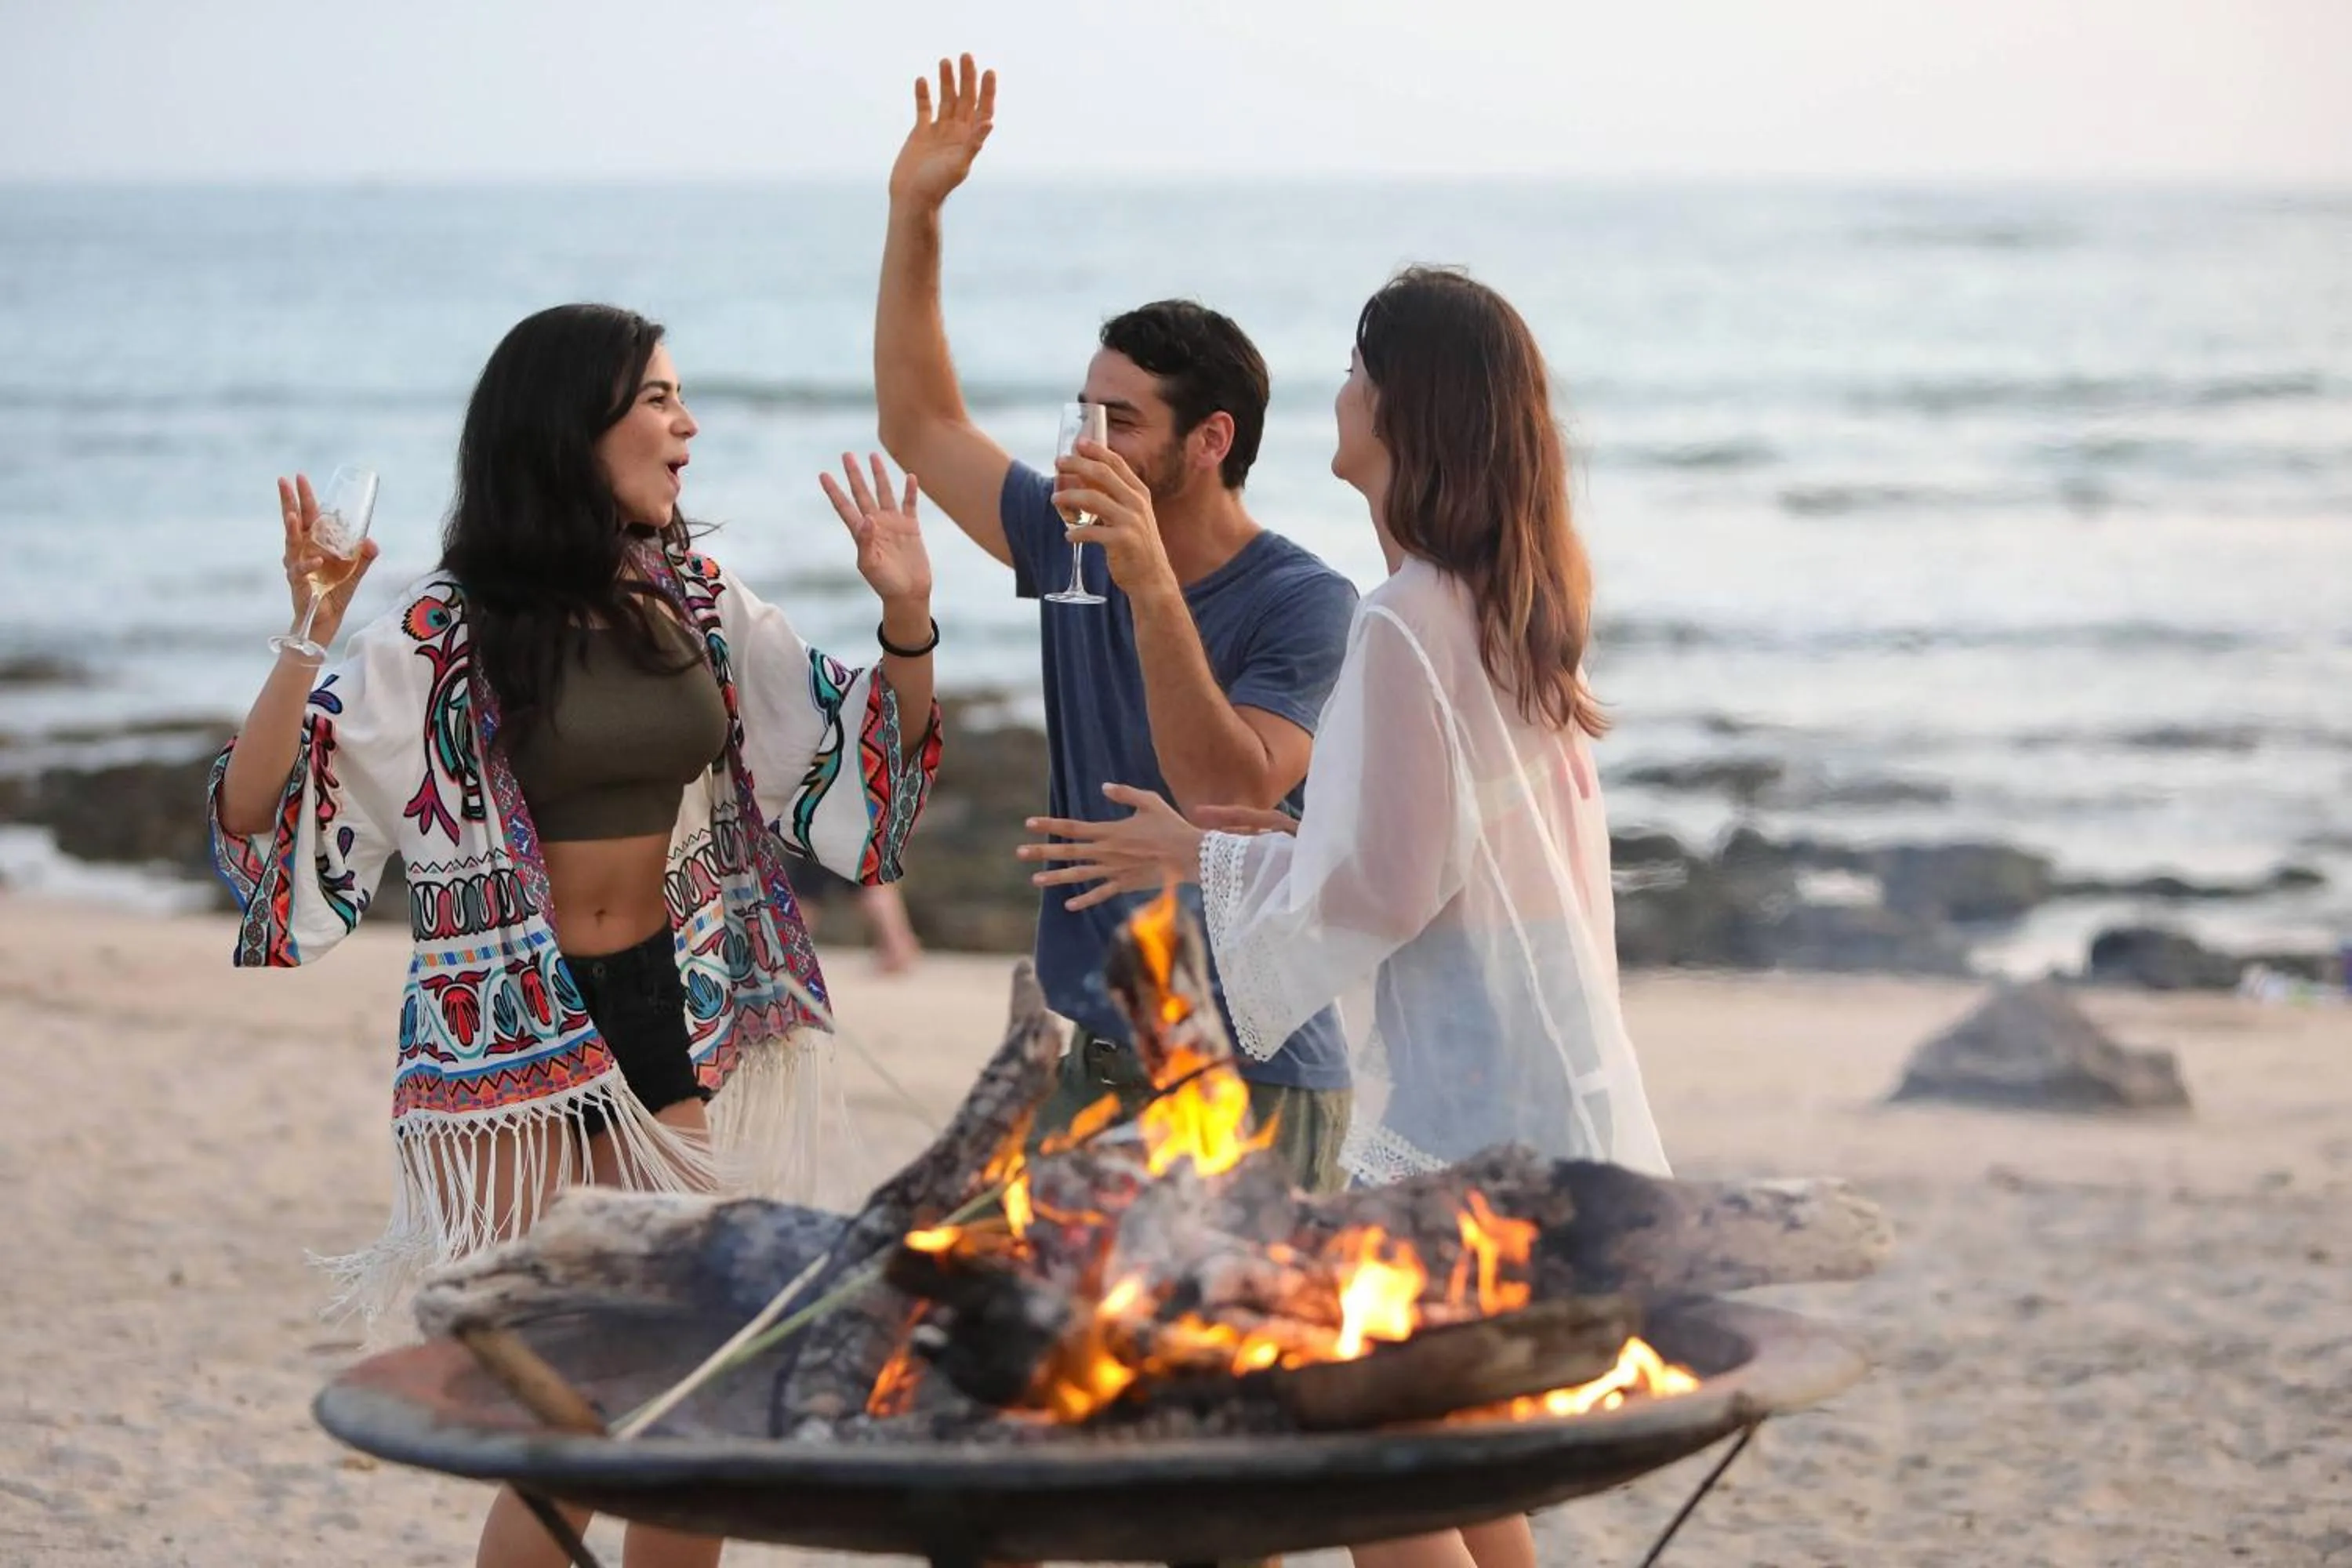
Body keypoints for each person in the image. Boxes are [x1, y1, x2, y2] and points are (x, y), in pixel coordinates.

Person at [209, 303, 943, 1568]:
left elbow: (845, 756)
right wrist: (308, 634)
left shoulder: (702, 605)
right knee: (582, 1410)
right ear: (573, 428)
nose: (688, 425)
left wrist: (909, 619)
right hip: (510, 1034)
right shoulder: (443, 639)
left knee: (696, 1394)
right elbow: (261, 813)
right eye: (658, 399)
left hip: (663, 1006)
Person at [1019, 267, 1670, 1568]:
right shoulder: (1494, 601)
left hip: (1465, 1094)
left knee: (1375, 1458)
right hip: (1525, 1062)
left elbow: (1384, 885)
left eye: (1363, 373)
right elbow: (1411, 855)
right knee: (1448, 1446)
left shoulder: (1406, 620)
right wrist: (1233, 845)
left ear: (1410, 412)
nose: (1342, 391)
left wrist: (1201, 860)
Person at [873, 56, 1360, 1192]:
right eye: (1081, 411)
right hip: (1082, 1064)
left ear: (1209, 441)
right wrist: (916, 212)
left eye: (1121, 421)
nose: (1085, 443)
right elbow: (917, 417)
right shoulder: (1064, 536)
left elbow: (1228, 800)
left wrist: (1147, 583)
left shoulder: (1308, 602)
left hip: (1255, 1074)